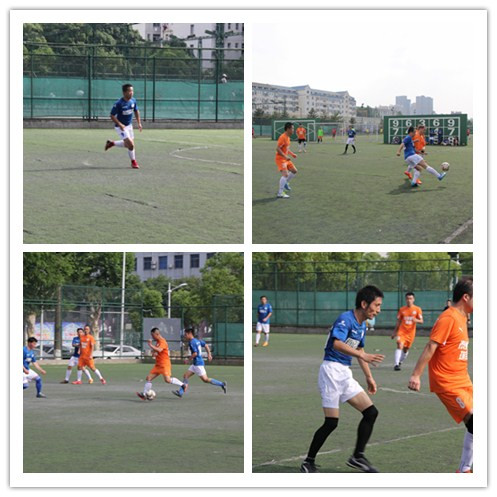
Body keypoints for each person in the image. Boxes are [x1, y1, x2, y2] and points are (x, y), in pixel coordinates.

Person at [300, 286, 386, 473]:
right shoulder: (345, 319)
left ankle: (358, 456)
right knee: (331, 422)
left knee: (371, 413)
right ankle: (308, 461)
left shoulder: (362, 325)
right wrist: (362, 356)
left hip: (344, 373)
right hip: (330, 371)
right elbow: (337, 344)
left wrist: (369, 377)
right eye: (377, 305)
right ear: (364, 304)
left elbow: (360, 350)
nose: (378, 310)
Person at [408, 278, 473, 473]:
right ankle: (464, 470)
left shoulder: (462, 318)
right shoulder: (449, 317)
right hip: (447, 382)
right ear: (466, 297)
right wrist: (416, 375)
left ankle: (467, 468)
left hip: (463, 380)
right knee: (475, 422)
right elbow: (431, 346)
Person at [173, 327, 227, 397]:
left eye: (186, 334)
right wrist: (209, 354)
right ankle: (180, 392)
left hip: (198, 364)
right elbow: (205, 345)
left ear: (190, 334)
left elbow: (195, 353)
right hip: (195, 364)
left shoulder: (192, 342)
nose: (185, 336)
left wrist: (188, 360)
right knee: (185, 376)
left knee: (205, 379)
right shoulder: (197, 340)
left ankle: (222, 384)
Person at [137, 328, 185, 400]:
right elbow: (156, 351)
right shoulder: (158, 342)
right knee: (148, 378)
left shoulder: (163, 341)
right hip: (158, 365)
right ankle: (144, 394)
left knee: (167, 380)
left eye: (152, 335)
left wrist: (150, 344)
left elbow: (159, 350)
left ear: (157, 334)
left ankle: (183, 385)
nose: (152, 337)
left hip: (164, 364)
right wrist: (154, 353)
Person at [104, 83, 143, 169]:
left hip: (129, 126)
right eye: (129, 91)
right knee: (131, 145)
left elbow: (136, 111)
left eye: (132, 91)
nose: (131, 93)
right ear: (124, 92)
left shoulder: (133, 101)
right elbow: (112, 115)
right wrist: (120, 124)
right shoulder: (119, 103)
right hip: (120, 127)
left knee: (128, 145)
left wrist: (139, 123)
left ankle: (112, 143)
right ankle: (133, 162)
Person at [391, 292, 423, 371]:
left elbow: (421, 321)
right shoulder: (402, 309)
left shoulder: (417, 309)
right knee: (399, 345)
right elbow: (399, 321)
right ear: (405, 299)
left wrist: (416, 320)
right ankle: (396, 364)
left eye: (410, 298)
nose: (409, 300)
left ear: (413, 299)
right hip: (402, 332)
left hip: (411, 333)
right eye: (407, 299)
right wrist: (394, 332)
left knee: (405, 349)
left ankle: (400, 361)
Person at [275, 122, 298, 199]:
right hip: (280, 159)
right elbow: (278, 149)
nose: (293, 130)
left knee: (294, 171)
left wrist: (292, 154)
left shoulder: (288, 137)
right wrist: (285, 156)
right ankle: (280, 193)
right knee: (285, 174)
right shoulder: (283, 137)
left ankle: (285, 183)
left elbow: (286, 149)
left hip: (285, 158)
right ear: (288, 129)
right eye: (292, 128)